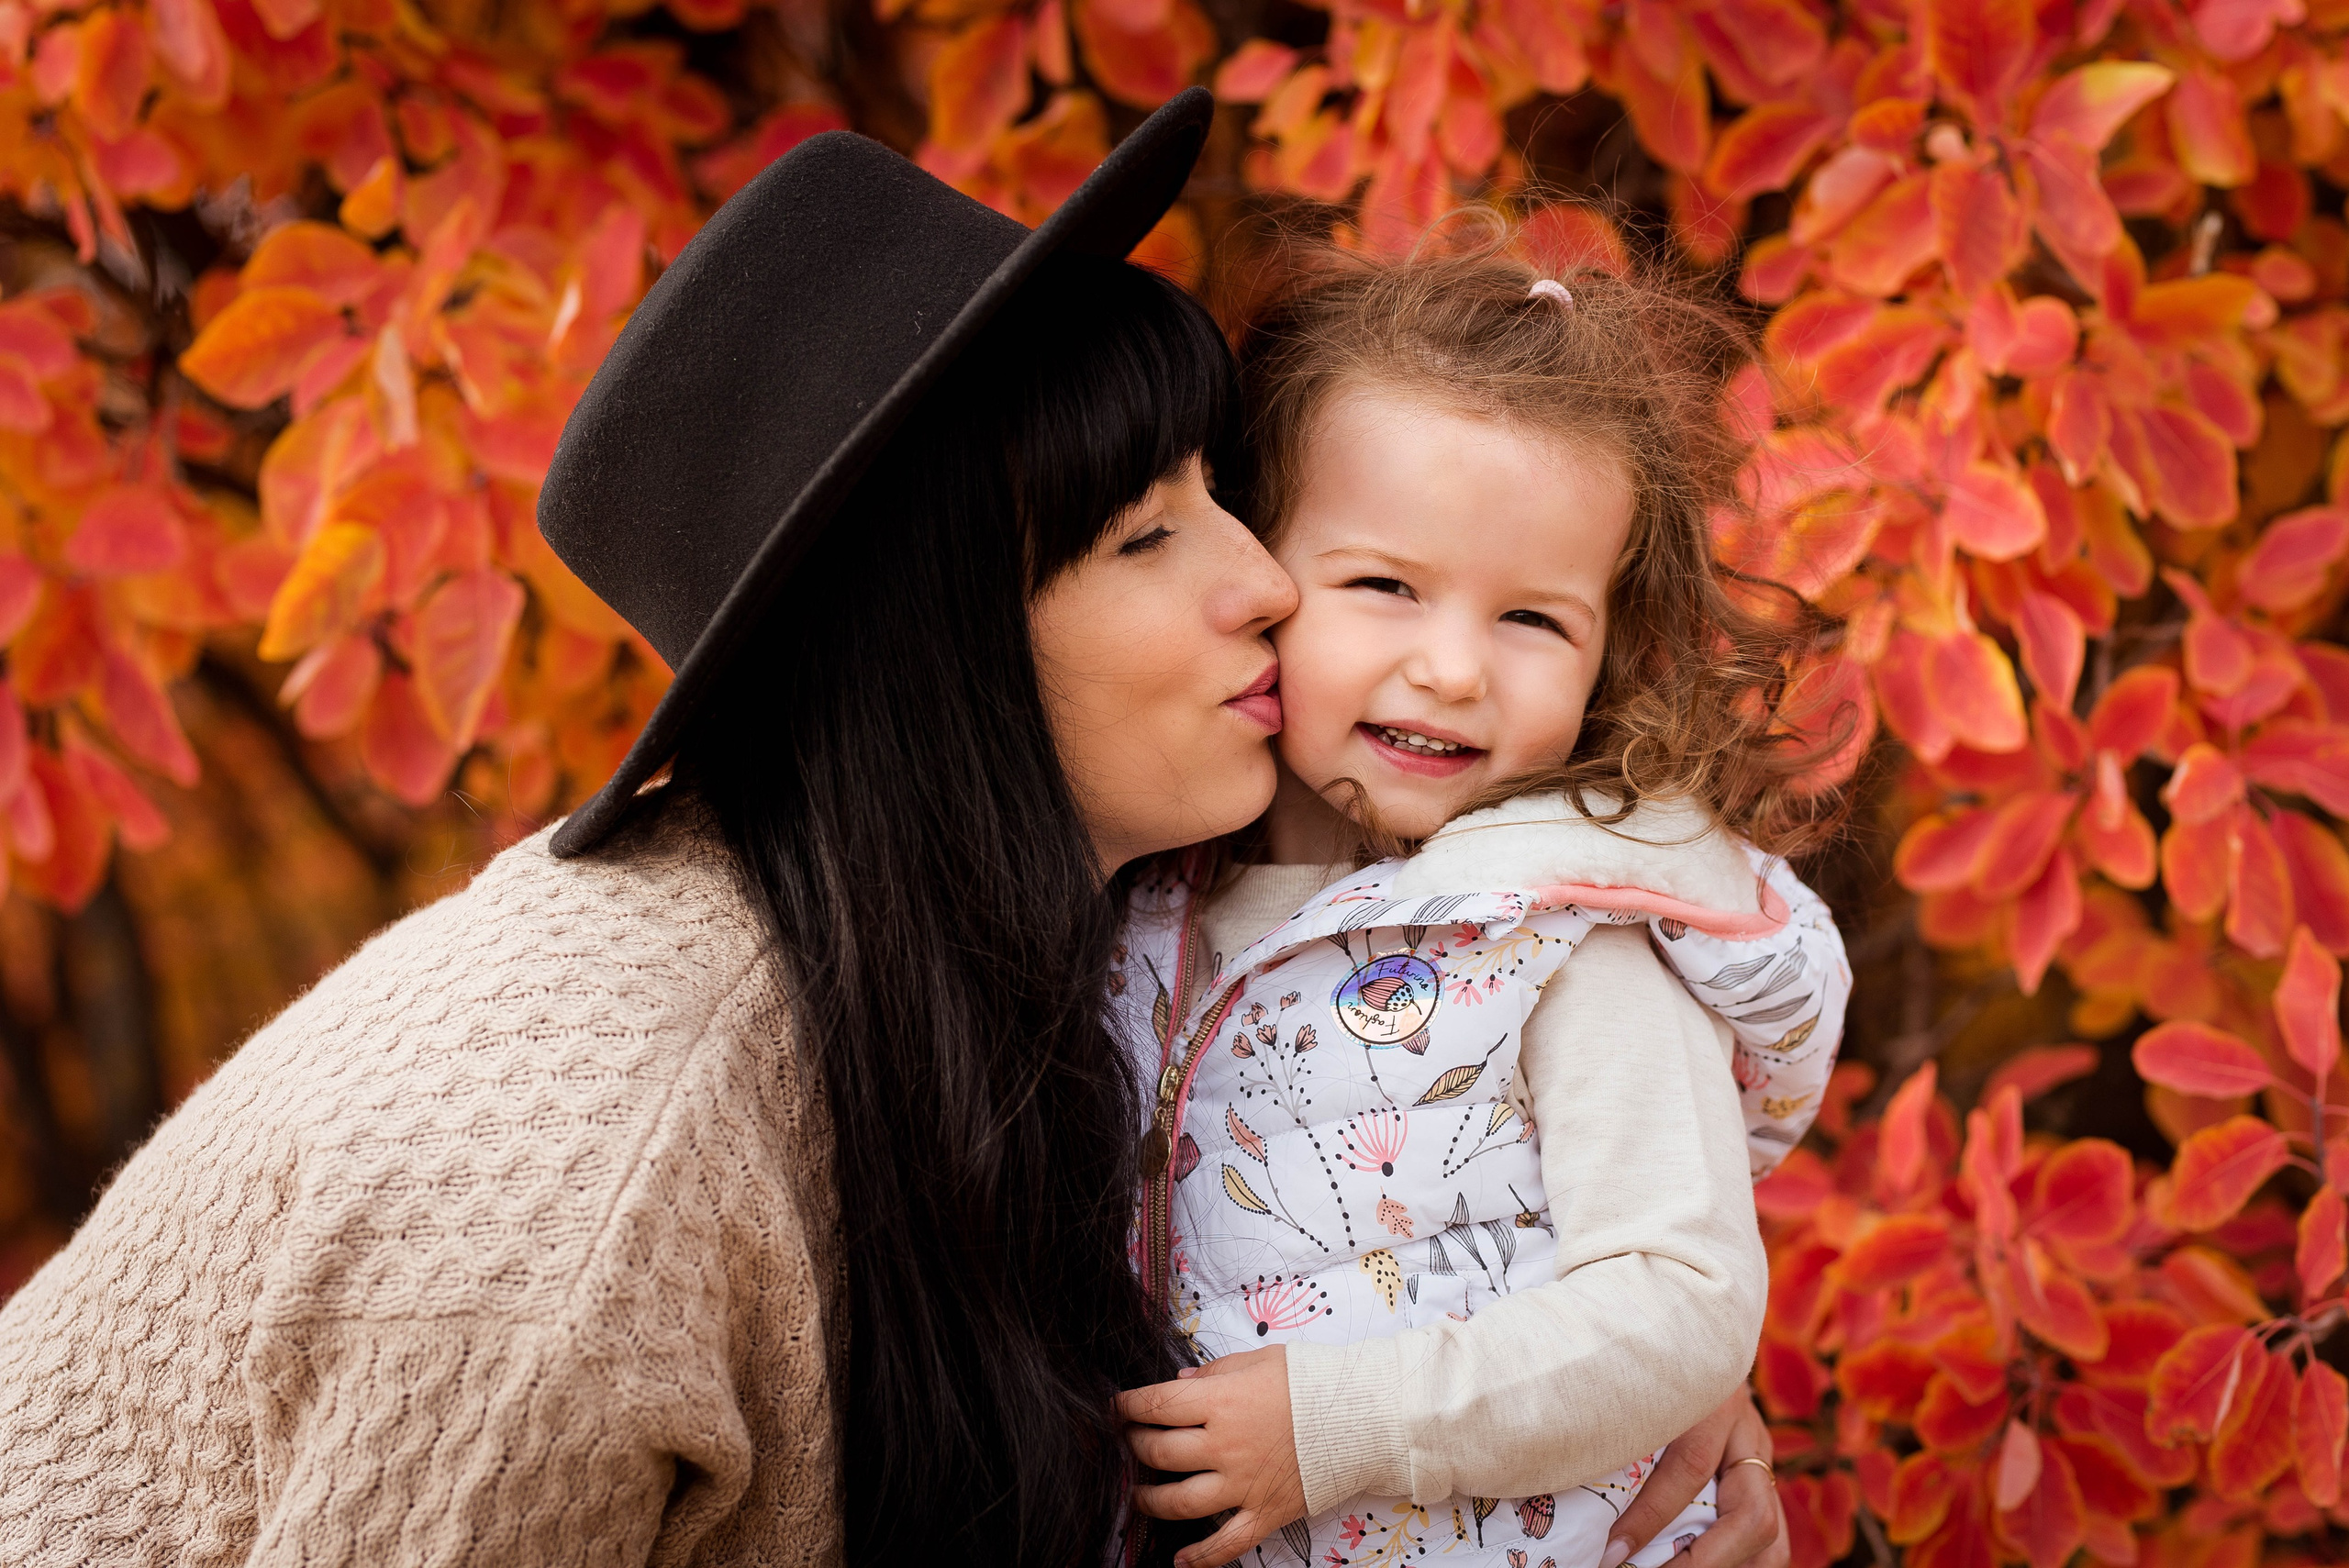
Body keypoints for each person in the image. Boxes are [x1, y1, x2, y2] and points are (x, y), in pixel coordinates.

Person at [0, 101, 1788, 1567]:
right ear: (936, 654)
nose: (1267, 590)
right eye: (1149, 537)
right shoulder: (585, 1209)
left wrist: (1572, 1414)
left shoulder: (1022, 948)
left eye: (1222, 499)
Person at [1111, 242, 1854, 1568]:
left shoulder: (1573, 933)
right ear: (1258, 563)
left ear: (1610, 649)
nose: (1452, 667)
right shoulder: (1144, 891)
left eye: (1533, 618)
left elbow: (1682, 1301)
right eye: (1386, 585)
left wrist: (1344, 1423)